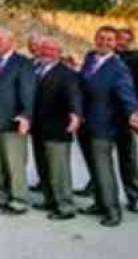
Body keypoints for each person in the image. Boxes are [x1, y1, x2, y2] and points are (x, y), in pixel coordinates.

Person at [77, 26, 138, 228]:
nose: (104, 42)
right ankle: (98, 203)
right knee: (94, 167)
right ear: (95, 39)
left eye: (109, 40)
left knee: (104, 169)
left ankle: (113, 211)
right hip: (84, 123)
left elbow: (127, 93)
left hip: (104, 125)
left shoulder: (118, 67)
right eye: (101, 38)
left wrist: (133, 114)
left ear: (115, 44)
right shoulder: (90, 57)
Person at [0, 26, 35, 215]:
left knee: (14, 164)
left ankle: (18, 200)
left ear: (11, 41)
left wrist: (26, 115)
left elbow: (28, 91)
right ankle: (0, 196)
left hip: (12, 121)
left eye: (0, 39)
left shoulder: (22, 62)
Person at [31, 37, 83, 221]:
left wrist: (76, 114)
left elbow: (74, 96)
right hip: (37, 127)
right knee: (43, 167)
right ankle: (50, 200)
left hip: (58, 128)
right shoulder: (35, 69)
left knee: (58, 170)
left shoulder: (66, 74)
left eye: (51, 50)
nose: (46, 52)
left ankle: (65, 206)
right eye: (44, 48)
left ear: (59, 53)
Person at [114, 26, 138, 211]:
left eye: (125, 39)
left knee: (127, 157)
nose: (121, 42)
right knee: (98, 155)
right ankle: (96, 188)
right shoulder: (100, 56)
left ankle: (133, 196)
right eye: (118, 38)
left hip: (127, 115)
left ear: (131, 41)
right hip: (104, 114)